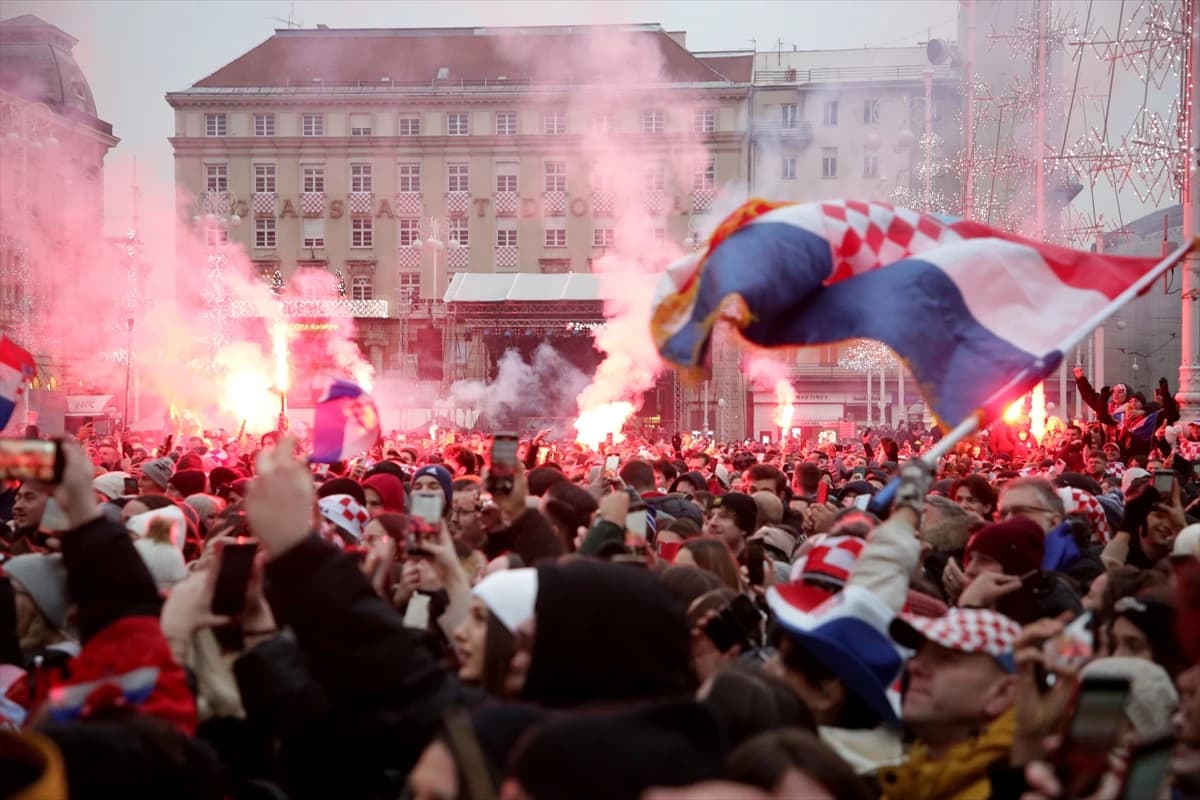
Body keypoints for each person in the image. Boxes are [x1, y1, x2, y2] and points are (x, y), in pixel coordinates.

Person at [880, 608, 1022, 799]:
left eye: (946, 658)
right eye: (918, 652)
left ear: (1002, 693)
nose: (914, 666)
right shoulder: (908, 782)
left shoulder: (1018, 787)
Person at [704, 492, 758, 558]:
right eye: (710, 516)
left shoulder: (759, 565)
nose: (712, 522)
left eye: (723, 516)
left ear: (744, 528)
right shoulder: (697, 560)